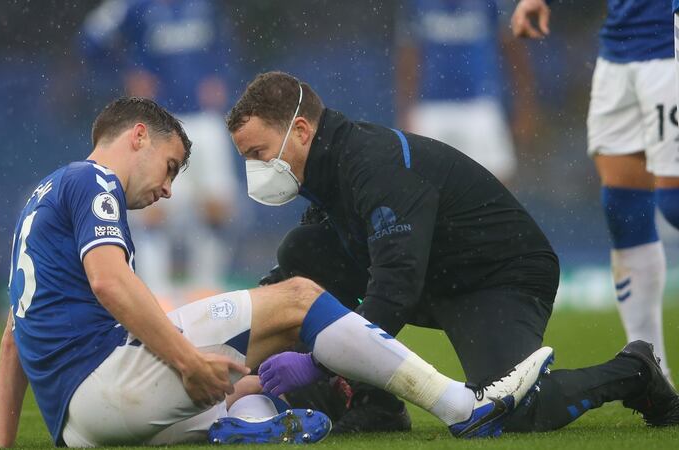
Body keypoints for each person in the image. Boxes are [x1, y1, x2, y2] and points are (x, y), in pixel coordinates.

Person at [0, 97, 554, 449]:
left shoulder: (40, 199)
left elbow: (14, 337)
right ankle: (463, 406)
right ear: (137, 137)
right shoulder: (93, 181)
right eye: (171, 166)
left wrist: (2, 442)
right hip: (106, 384)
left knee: (243, 390)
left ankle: (250, 428)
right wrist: (185, 358)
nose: (169, 189)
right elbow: (109, 281)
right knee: (296, 298)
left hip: (78, 428)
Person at [227, 71, 679, 434]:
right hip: (438, 275)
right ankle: (374, 405)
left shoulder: (372, 164)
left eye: (258, 153)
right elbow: (300, 279)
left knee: (510, 412)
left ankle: (635, 370)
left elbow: (395, 288)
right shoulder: (327, 170)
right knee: (302, 252)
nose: (255, 169)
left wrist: (317, 363)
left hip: (500, 275)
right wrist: (237, 354)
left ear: (301, 131)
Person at [510, 0, 678, 380]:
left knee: (673, 205)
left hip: (668, 46)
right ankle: (653, 374)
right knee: (623, 208)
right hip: (619, 50)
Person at [79, 0, 238, 297]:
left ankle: (206, 291)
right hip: (159, 120)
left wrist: (221, 75)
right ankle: (157, 296)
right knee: (154, 209)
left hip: (205, 116)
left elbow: (224, 37)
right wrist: (126, 72)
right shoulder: (131, 5)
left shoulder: (203, 4)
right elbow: (91, 39)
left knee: (216, 206)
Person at [395, 0, 538, 185]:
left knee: (498, 186)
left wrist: (525, 107)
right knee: (425, 187)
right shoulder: (418, 4)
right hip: (432, 108)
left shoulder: (492, 2)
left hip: (479, 106)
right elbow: (409, 55)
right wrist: (406, 111)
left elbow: (514, 48)